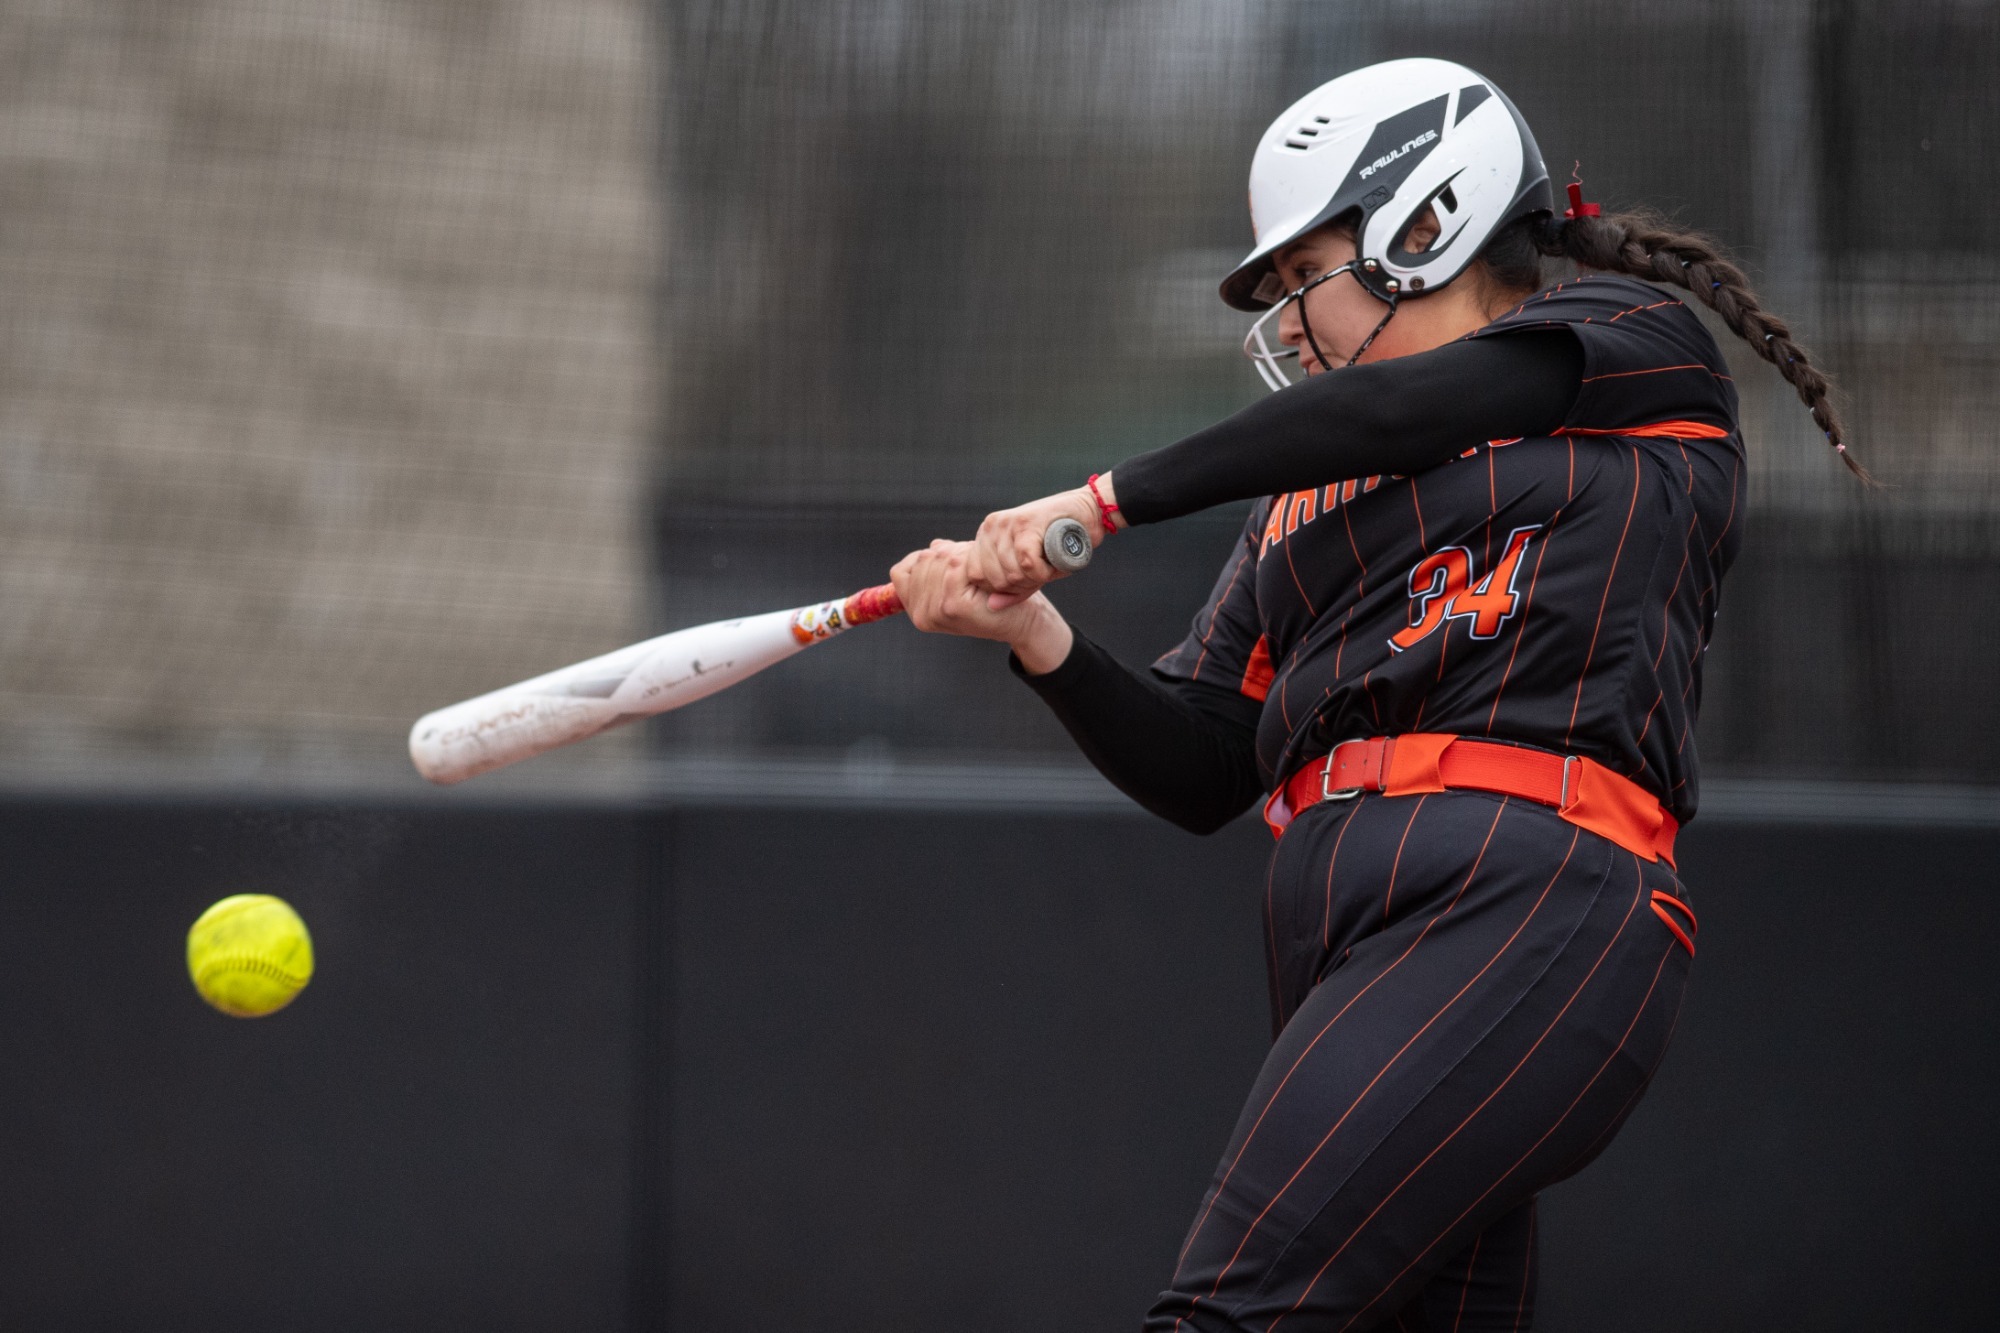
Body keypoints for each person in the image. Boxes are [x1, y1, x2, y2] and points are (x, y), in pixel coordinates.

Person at [890, 58, 1855, 1331]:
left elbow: (1414, 402)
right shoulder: (1304, 493)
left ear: (1427, 218)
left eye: (1307, 272)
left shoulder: (1625, 347)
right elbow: (1203, 763)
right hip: (1345, 936)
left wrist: (1105, 499)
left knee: (1231, 1314)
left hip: (1521, 897)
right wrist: (1034, 633)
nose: (1289, 323)